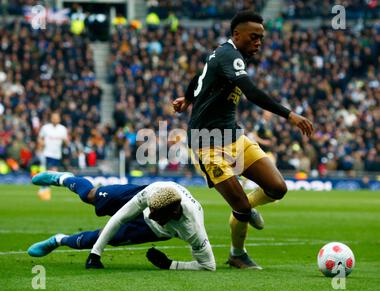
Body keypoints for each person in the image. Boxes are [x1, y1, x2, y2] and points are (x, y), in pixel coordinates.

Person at [172, 10, 314, 269]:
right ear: (237, 35)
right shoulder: (230, 55)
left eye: (261, 38)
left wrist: (187, 98)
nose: (258, 42)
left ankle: (246, 210)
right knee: (239, 205)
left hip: (234, 137)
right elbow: (250, 92)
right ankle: (237, 253)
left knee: (278, 188)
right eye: (253, 37)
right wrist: (289, 115)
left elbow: (200, 76)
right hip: (206, 141)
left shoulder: (222, 53)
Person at [28, 171, 216, 271]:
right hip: (137, 195)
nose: (150, 214)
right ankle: (62, 178)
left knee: (99, 237)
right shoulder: (152, 193)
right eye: (151, 210)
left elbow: (208, 266)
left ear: (174, 212)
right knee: (91, 195)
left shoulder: (193, 231)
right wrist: (96, 255)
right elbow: (120, 217)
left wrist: (170, 265)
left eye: (156, 214)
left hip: (152, 232)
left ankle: (58, 240)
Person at [36, 112, 69, 201]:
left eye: (56, 118)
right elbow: (39, 138)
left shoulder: (63, 129)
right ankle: (44, 190)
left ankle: (44, 189)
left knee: (53, 171)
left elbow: (66, 141)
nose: (55, 119)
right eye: (53, 117)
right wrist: (41, 143)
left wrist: (66, 142)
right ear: (51, 118)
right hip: (47, 153)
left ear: (59, 119)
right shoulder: (45, 128)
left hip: (57, 154)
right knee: (50, 170)